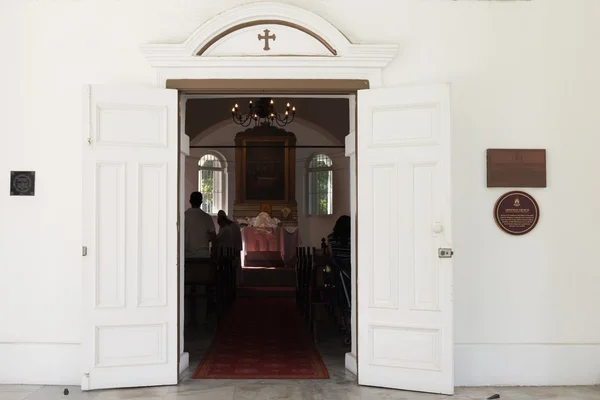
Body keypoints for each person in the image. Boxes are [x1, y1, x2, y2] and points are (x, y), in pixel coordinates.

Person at [184, 192, 216, 258]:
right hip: (203, 256)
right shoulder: (207, 217)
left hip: (187, 255)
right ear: (201, 202)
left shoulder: (183, 216)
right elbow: (213, 237)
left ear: (190, 201)